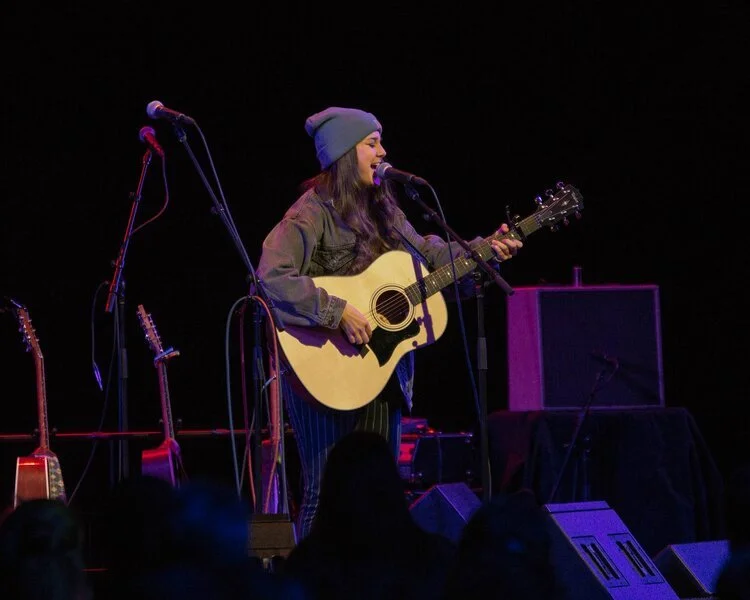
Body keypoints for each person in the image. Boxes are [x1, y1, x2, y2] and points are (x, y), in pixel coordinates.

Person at [256, 106, 523, 539]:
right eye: (372, 143)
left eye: (380, 142)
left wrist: (484, 249)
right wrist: (337, 311)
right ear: (344, 152)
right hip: (321, 373)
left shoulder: (386, 210)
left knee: (379, 494)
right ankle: (312, 575)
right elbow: (271, 277)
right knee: (325, 492)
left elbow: (431, 258)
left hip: (382, 369)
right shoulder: (310, 213)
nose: (383, 152)